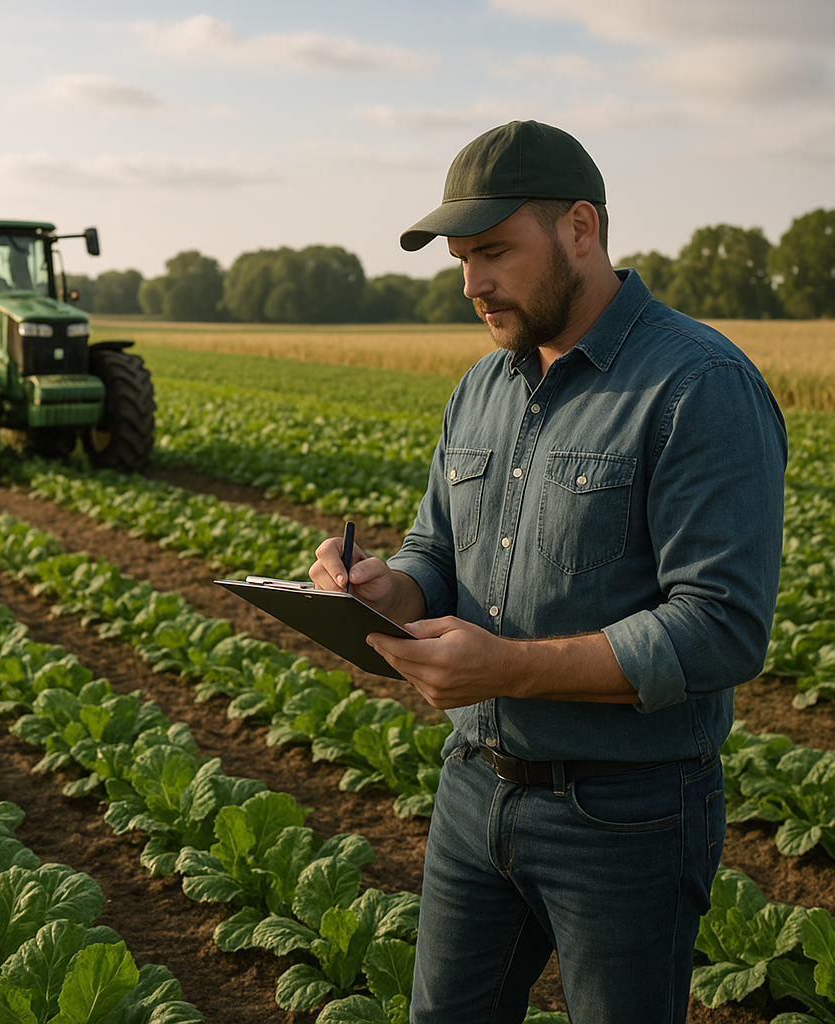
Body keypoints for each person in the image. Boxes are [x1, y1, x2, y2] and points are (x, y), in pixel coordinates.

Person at [309, 120, 787, 1023]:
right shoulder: (482, 387)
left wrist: (507, 667)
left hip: (627, 817)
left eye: (494, 252)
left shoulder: (698, 386)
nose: (472, 284)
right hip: (472, 788)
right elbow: (438, 553)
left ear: (581, 228)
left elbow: (722, 625)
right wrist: (387, 586)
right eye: (460, 259)